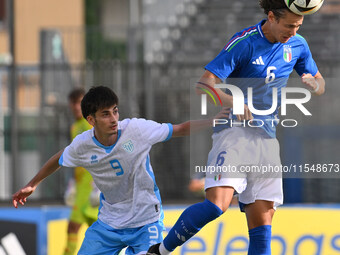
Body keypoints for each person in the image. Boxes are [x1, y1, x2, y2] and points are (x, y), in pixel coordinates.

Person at [147, 0, 325, 254]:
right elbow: (204, 84)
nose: (293, 32)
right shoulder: (245, 42)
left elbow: (320, 84)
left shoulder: (298, 45)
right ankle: (160, 251)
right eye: (289, 25)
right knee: (216, 205)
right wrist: (234, 101)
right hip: (235, 134)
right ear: (272, 17)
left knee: (263, 224)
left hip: (267, 140)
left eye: (298, 26)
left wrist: (314, 85)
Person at [12, 86, 228, 255]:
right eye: (105, 114)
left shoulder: (136, 130)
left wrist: (213, 121)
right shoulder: (82, 144)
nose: (114, 118)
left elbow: (180, 129)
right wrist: (33, 184)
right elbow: (59, 158)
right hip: (109, 224)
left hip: (146, 221)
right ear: (91, 120)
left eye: (115, 111)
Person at [63, 88, 98, 255]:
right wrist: (73, 183)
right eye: (74, 103)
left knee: (101, 233)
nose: (77, 107)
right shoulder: (74, 127)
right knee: (73, 227)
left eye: (80, 103)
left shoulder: (90, 124)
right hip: (81, 187)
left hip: (94, 186)